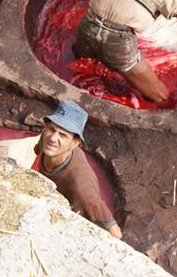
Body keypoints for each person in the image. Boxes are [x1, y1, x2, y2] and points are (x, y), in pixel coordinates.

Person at [36, 101, 122, 239]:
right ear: (45, 127)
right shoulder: (48, 141)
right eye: (51, 129)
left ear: (74, 143)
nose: (53, 138)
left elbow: (116, 234)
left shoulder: (82, 188)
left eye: (62, 135)